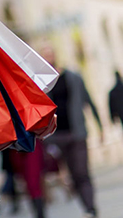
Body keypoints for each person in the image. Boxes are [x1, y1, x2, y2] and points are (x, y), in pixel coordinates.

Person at [43, 46, 102, 218]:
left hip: (76, 133)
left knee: (82, 171)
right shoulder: (43, 84)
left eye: (50, 54)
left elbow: (88, 101)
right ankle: (86, 205)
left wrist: (99, 127)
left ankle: (91, 207)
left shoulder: (74, 78)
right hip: (57, 137)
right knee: (72, 175)